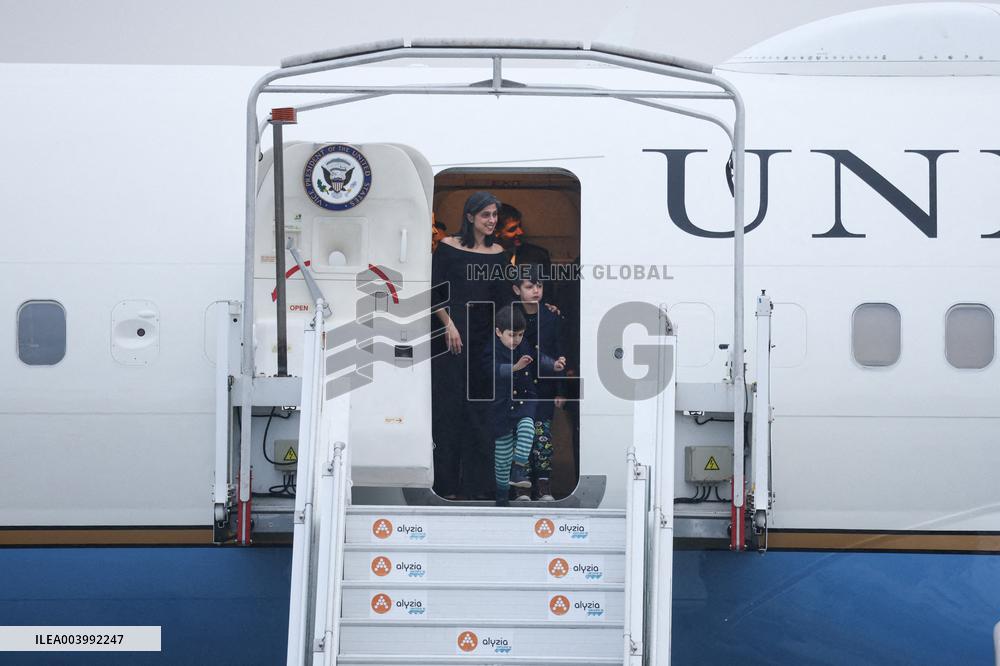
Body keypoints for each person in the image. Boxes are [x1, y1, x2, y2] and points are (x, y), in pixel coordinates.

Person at [431, 192, 509, 500]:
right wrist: (448, 324)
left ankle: (478, 488)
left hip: (484, 343)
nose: (492, 220)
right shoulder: (448, 248)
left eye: (494, 215)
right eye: (486, 215)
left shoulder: (501, 253)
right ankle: (445, 486)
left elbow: (505, 301)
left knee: (481, 414)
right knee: (448, 412)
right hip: (448, 339)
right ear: (470, 217)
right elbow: (434, 293)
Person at [487, 305, 553, 506]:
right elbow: (489, 369)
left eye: (520, 335)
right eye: (512, 335)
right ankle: (502, 494)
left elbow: (537, 358)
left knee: (527, 428)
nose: (516, 339)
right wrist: (514, 367)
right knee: (502, 453)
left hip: (525, 399)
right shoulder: (492, 348)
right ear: (498, 332)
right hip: (501, 405)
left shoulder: (524, 344)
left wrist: (553, 364)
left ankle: (518, 468)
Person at [511, 271, 566, 501]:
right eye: (529, 286)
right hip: (517, 388)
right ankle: (521, 487)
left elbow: (559, 353)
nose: (535, 291)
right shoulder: (509, 316)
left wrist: (560, 390)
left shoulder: (552, 317)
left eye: (539, 286)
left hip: (544, 388)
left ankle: (543, 484)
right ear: (517, 289)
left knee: (542, 438)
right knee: (521, 437)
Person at [496, 204, 551, 276]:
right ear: (495, 232)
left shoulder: (539, 255)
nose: (520, 232)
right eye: (512, 229)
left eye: (520, 226)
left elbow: (546, 286)